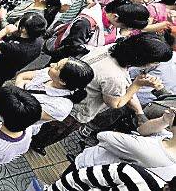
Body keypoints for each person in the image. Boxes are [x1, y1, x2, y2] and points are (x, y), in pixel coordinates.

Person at [31, 33, 172, 154]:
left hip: (65, 93)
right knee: (54, 130)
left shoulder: (111, 48)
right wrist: (137, 85)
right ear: (142, 59)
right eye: (154, 61)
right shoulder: (115, 77)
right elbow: (116, 103)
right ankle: (35, 143)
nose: (154, 65)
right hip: (78, 108)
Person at [13, 58, 95, 135]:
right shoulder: (48, 73)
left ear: (62, 81)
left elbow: (23, 112)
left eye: (57, 67)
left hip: (16, 126)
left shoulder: (60, 107)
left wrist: (21, 85)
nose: (52, 64)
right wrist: (19, 90)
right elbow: (22, 75)